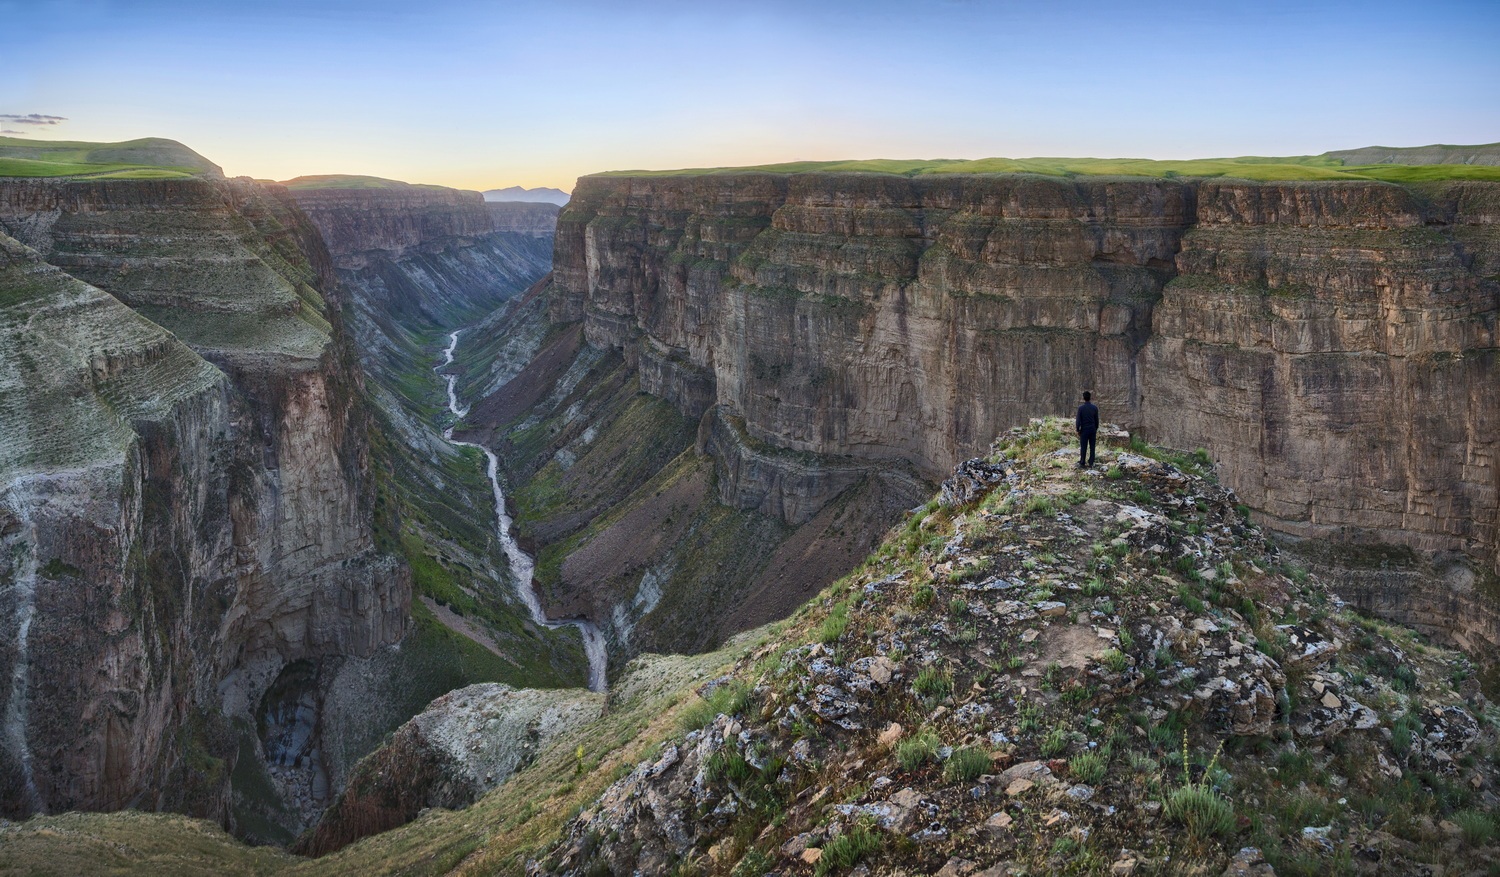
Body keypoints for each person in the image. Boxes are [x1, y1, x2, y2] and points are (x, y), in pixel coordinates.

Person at [1076, 391, 1098, 468]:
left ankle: (1082, 462)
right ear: (1090, 397)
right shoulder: (1094, 408)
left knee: (1083, 446)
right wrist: (1095, 428)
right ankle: (1091, 462)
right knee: (1092, 446)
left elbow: (1078, 420)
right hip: (1092, 429)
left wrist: (1078, 430)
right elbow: (1096, 420)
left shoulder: (1081, 408)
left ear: (1083, 398)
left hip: (1084, 430)